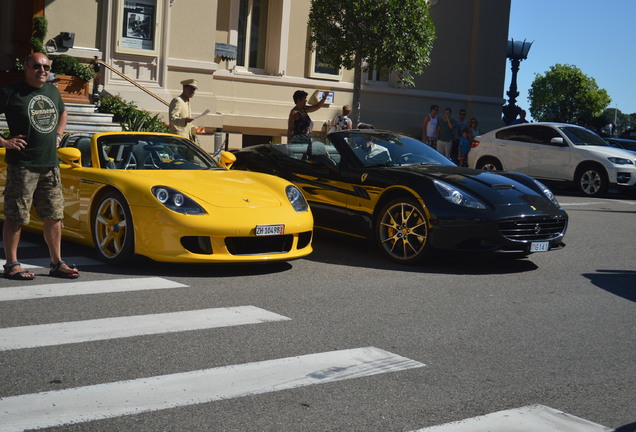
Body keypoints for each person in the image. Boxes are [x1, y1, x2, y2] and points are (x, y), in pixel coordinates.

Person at [0, 52, 78, 280]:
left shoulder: (52, 91)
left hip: (50, 165)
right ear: (26, 68)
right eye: (36, 66)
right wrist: (5, 142)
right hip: (23, 165)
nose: (42, 70)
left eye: (46, 67)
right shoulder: (11, 92)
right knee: (17, 216)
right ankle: (12, 264)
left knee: (54, 215)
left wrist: (58, 135)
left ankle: (57, 263)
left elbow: (63, 112)